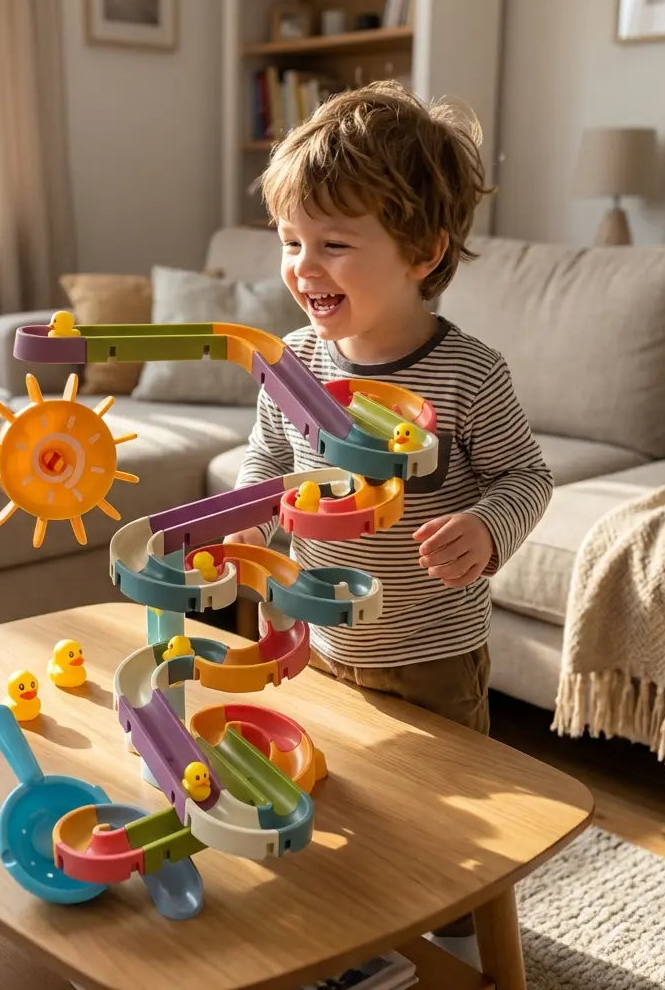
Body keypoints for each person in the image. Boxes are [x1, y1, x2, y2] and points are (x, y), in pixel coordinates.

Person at [224, 82, 554, 963]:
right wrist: (252, 524)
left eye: (334, 243)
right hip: (315, 644)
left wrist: (488, 528)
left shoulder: (469, 375)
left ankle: (466, 938)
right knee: (349, 797)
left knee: (450, 832)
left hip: (432, 654)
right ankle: (365, 926)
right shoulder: (290, 362)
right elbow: (265, 464)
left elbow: (527, 475)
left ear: (421, 251)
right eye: (292, 242)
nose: (303, 267)